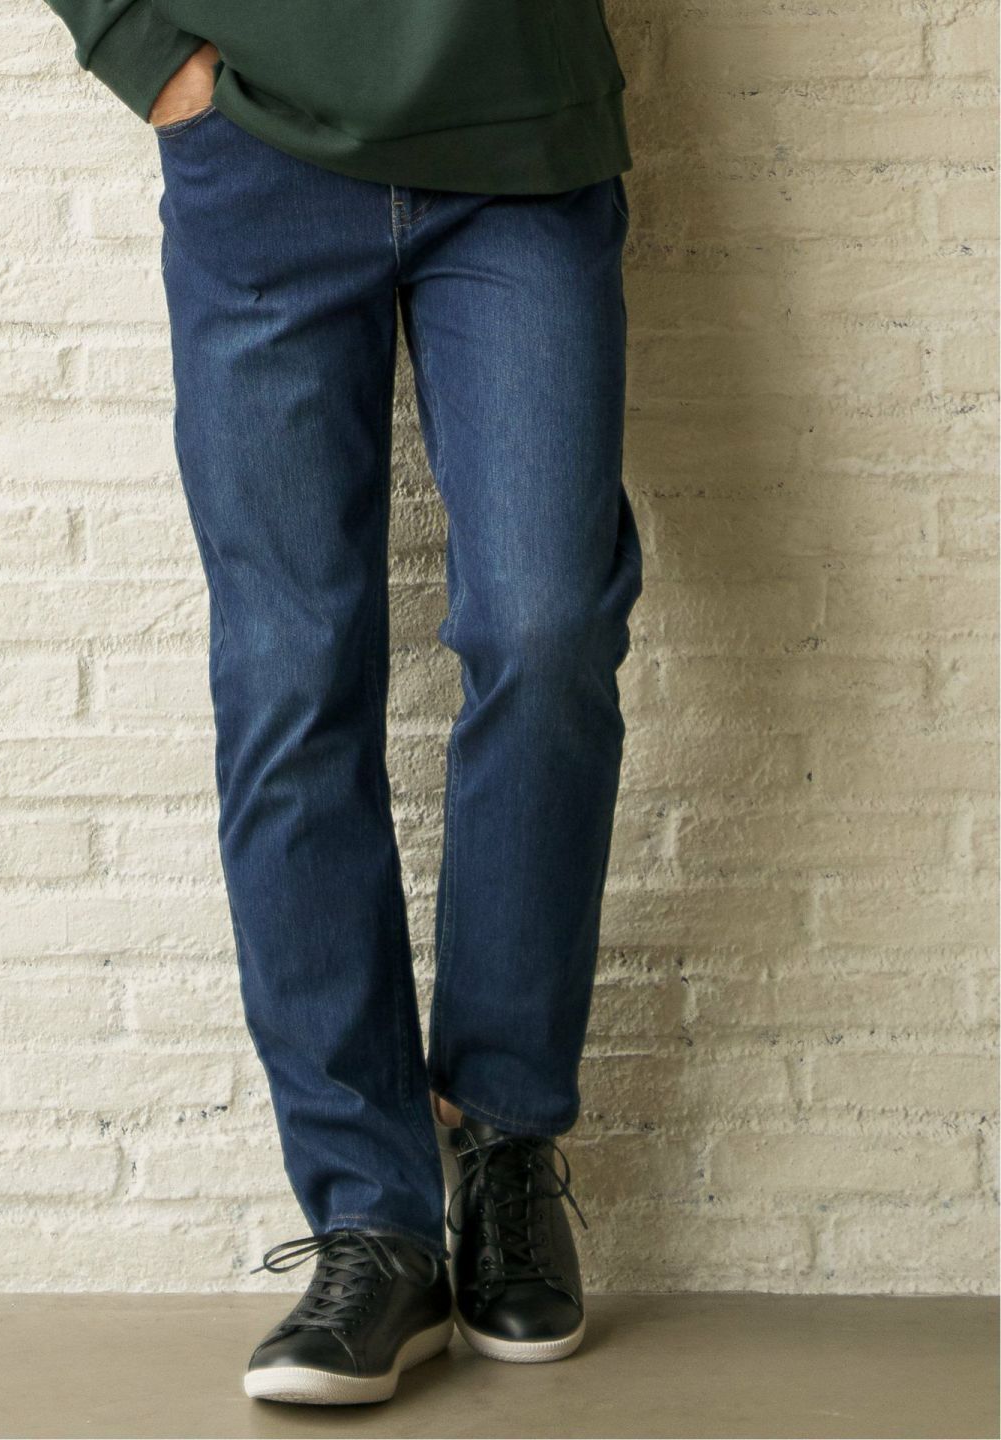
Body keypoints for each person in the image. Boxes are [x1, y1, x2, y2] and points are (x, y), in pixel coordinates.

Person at [44, 0, 642, 1406]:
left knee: (547, 628)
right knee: (289, 674)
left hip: (522, 133)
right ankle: (374, 1222)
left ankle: (502, 1136)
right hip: (252, 144)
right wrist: (143, 47)